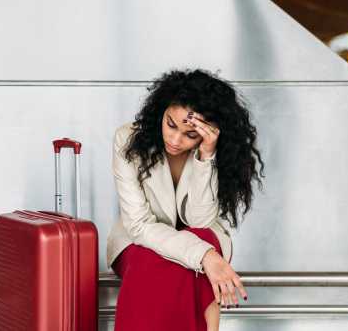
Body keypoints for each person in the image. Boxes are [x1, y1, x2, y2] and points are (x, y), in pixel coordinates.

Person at [106, 68, 265, 331]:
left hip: (201, 238)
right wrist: (206, 257)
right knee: (153, 259)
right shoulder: (127, 139)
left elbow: (200, 221)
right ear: (162, 109)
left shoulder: (211, 151)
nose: (175, 139)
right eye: (170, 124)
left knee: (201, 240)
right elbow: (140, 226)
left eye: (191, 134)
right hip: (138, 241)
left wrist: (206, 156)